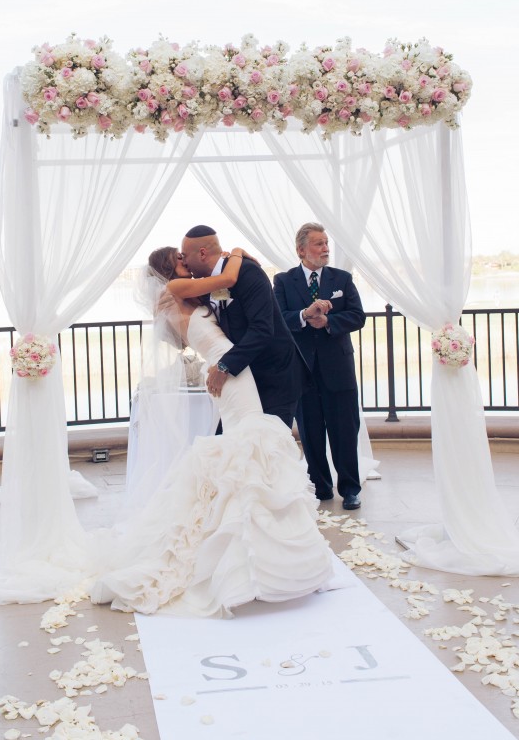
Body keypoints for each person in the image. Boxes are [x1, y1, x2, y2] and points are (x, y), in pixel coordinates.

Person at [90, 245, 334, 617]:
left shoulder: (187, 293)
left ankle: (243, 544)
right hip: (228, 368)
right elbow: (227, 278)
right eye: (180, 261)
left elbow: (226, 292)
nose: (186, 264)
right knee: (251, 444)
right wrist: (235, 254)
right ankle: (244, 549)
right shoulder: (174, 292)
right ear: (170, 268)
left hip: (233, 367)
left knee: (247, 444)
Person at [273, 223, 366, 510]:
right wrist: (303, 315)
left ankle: (350, 489)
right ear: (301, 250)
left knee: (345, 431)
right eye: (318, 244)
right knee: (311, 434)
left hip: (339, 370)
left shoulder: (342, 279)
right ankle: (321, 488)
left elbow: (358, 316)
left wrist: (329, 322)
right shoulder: (284, 281)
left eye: (326, 243)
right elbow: (278, 320)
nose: (325, 248)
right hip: (303, 371)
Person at [180, 225, 309, 428]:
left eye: (185, 255)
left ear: (202, 253)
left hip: (274, 376)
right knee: (233, 443)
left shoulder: (248, 272)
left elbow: (262, 329)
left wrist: (224, 366)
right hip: (243, 379)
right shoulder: (207, 284)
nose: (184, 262)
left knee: (268, 447)